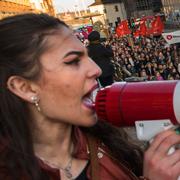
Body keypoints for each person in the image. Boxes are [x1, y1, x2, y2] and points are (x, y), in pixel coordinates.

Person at [0, 13, 179, 180]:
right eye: (73, 61)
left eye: (86, 56)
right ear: (25, 87)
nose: (96, 70)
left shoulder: (112, 146)